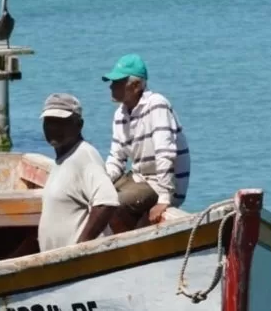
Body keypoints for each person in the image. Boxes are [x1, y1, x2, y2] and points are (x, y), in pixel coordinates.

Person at [102, 54, 191, 232]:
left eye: (118, 82)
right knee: (97, 196)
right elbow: (116, 158)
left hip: (159, 183)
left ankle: (126, 249)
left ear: (136, 86)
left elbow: (165, 153)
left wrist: (164, 198)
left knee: (113, 204)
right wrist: (101, 181)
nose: (112, 87)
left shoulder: (157, 105)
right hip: (138, 177)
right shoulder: (120, 114)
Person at [37, 93, 120, 252]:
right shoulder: (62, 159)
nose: (53, 128)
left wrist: (81, 247)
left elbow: (107, 202)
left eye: (61, 123)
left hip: (79, 264)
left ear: (79, 124)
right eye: (49, 122)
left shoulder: (85, 156)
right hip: (58, 263)